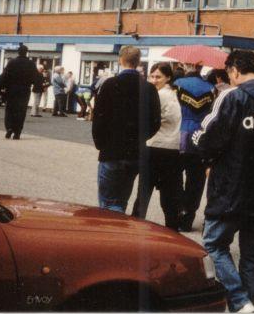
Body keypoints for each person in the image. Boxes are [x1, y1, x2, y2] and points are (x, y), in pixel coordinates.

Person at [192, 50, 254, 313]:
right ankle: (246, 306)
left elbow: (207, 139)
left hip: (231, 189)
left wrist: (207, 156)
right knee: (251, 255)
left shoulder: (232, 97)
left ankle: (240, 302)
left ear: (235, 71)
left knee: (214, 244)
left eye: (229, 74)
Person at [91, 45, 160, 212]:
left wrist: (101, 144)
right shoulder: (149, 88)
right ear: (138, 62)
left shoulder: (109, 84)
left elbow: (99, 118)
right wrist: (140, 138)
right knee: (122, 199)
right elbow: (155, 121)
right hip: (134, 152)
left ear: (120, 60)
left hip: (112, 151)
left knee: (108, 203)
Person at [132, 62, 183, 230]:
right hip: (173, 149)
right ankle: (173, 233)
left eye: (158, 77)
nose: (154, 80)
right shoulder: (174, 95)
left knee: (143, 195)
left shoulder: (158, 95)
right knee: (170, 199)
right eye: (152, 76)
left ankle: (133, 230)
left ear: (168, 77)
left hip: (154, 147)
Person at [174, 63, 216, 232]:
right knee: (196, 180)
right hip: (200, 135)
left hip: (180, 133)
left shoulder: (177, 85)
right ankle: (188, 217)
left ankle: (177, 211)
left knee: (175, 177)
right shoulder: (211, 88)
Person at [1, 45, 39, 139]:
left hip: (12, 89)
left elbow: (5, 76)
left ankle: (9, 127)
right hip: (25, 90)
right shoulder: (31, 64)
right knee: (21, 111)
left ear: (18, 52)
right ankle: (17, 132)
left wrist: (3, 87)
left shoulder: (12, 62)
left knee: (10, 109)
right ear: (26, 52)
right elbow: (35, 78)